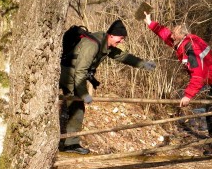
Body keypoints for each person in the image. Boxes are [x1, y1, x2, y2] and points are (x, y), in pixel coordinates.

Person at [144, 12, 212, 155]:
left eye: (174, 34)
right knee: (211, 111)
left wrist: (188, 95)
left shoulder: (191, 48)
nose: (171, 36)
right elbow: (166, 34)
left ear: (182, 35)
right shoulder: (183, 43)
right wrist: (151, 23)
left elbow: (198, 75)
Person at [59, 19, 156, 154]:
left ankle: (69, 142)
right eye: (120, 38)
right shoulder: (92, 45)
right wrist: (84, 94)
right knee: (77, 108)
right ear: (111, 35)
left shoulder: (105, 44)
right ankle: (70, 145)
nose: (122, 41)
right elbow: (79, 72)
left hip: (72, 75)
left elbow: (122, 56)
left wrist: (143, 64)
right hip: (67, 74)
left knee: (76, 106)